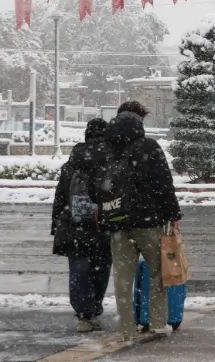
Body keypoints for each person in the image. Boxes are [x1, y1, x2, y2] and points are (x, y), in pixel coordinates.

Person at [99, 101, 182, 341]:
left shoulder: (107, 150)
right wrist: (173, 214)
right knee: (157, 272)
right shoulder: (149, 147)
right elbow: (164, 184)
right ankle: (157, 321)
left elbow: (98, 188)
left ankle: (126, 329)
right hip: (148, 221)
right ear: (139, 122)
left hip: (117, 221)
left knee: (122, 278)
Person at [51, 118, 112, 332]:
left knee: (79, 271)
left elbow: (60, 196)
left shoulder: (72, 163)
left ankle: (83, 314)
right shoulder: (110, 161)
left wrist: (56, 226)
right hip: (102, 226)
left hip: (73, 226)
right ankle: (94, 308)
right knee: (100, 269)